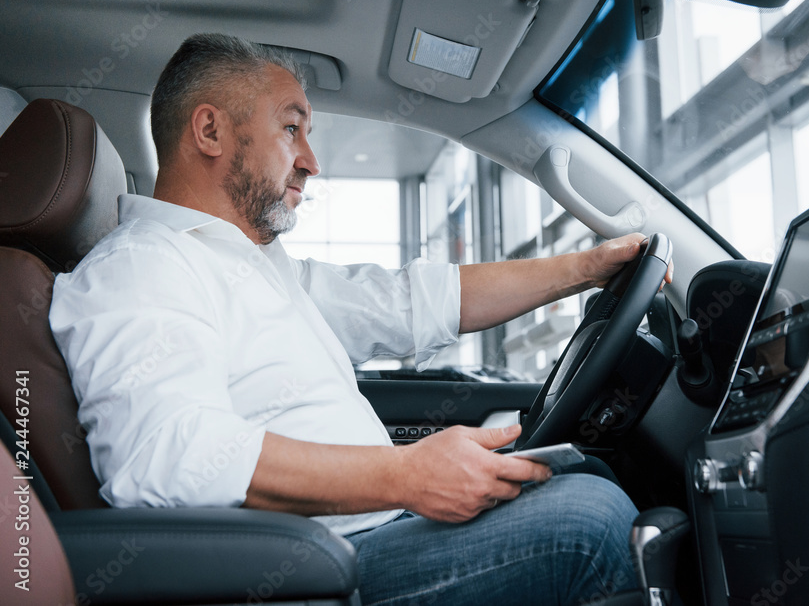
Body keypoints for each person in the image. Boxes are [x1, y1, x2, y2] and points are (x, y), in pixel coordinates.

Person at [50, 33, 672, 605]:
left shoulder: (253, 263)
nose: (311, 161)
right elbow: (167, 458)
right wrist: (404, 476)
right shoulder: (142, 268)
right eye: (291, 128)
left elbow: (408, 303)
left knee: (586, 473)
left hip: (366, 533)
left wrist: (588, 269)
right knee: (593, 521)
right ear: (210, 131)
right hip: (310, 572)